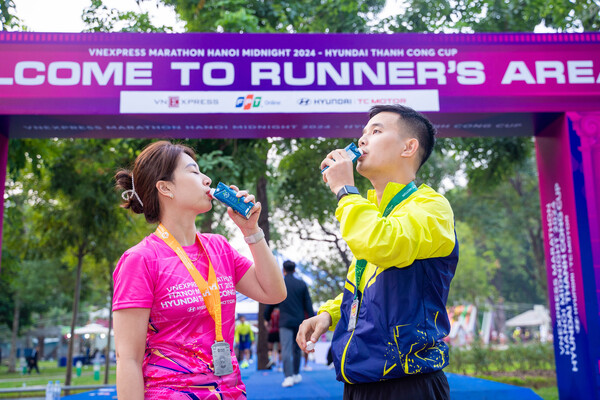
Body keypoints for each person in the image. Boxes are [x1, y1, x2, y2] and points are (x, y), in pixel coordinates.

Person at [297, 105, 458, 400]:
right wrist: (330, 314)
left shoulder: (431, 206)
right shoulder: (372, 214)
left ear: (408, 147)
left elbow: (383, 245)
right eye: (363, 133)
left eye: (376, 131)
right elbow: (366, 290)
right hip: (359, 383)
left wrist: (345, 191)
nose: (362, 140)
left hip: (408, 384)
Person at [112, 141, 286, 399]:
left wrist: (251, 231)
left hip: (230, 392)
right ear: (166, 188)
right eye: (193, 171)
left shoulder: (219, 247)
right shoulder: (141, 260)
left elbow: (274, 293)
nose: (207, 179)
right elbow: (128, 359)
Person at [265, 260, 314, 388]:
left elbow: (272, 303)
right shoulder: (301, 284)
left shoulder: (280, 284)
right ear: (295, 270)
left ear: (284, 270)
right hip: (299, 322)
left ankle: (288, 377)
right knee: (297, 348)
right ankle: (296, 374)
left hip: (285, 322)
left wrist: (266, 317)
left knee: (286, 349)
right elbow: (308, 304)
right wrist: (312, 321)